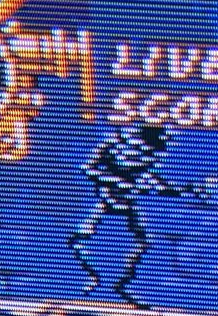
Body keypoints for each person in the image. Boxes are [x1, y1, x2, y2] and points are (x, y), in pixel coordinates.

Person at [67, 124, 210, 306]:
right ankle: (94, 279)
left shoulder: (148, 155)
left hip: (126, 203)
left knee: (142, 242)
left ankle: (121, 284)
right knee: (79, 241)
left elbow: (155, 183)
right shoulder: (115, 143)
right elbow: (89, 168)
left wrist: (187, 190)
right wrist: (119, 183)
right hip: (108, 200)